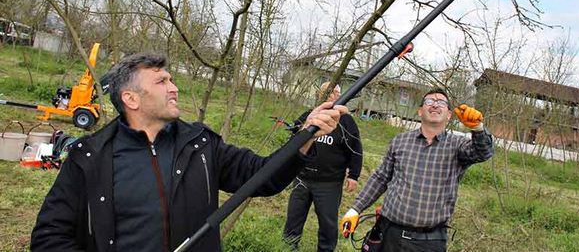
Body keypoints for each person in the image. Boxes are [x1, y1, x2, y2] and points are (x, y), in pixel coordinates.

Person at [30, 53, 347, 252]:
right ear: (131, 99)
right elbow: (49, 235)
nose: (174, 87)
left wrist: (307, 134)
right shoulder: (90, 156)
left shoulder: (201, 145)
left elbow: (263, 176)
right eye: (161, 81)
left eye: (171, 79)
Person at [340, 88, 494, 252]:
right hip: (389, 233)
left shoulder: (458, 146)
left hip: (429, 242)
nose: (435, 105)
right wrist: (355, 209)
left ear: (449, 115)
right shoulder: (400, 141)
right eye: (429, 101)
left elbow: (483, 152)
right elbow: (381, 178)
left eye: (441, 102)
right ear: (420, 111)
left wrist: (478, 129)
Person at [283, 81, 363, 251]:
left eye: (334, 92)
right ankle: (288, 247)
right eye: (327, 92)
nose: (331, 95)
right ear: (319, 94)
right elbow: (293, 143)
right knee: (293, 219)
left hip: (329, 183)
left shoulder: (346, 121)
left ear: (339, 96)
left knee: (328, 222)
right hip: (301, 179)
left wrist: (353, 175)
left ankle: (326, 249)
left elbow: (356, 149)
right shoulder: (308, 116)